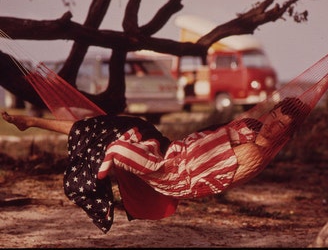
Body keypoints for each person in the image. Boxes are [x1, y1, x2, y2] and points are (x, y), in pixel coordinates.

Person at [1, 97, 311, 232]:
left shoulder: (255, 155)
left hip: (174, 174)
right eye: (274, 116)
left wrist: (178, 161)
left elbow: (206, 175)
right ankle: (31, 121)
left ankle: (89, 190)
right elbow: (213, 137)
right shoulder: (251, 127)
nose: (273, 125)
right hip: (171, 151)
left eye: (282, 125)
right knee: (114, 127)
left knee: (117, 147)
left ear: (288, 133)